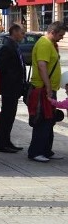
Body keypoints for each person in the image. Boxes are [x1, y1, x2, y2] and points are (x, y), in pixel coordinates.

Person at [27, 21, 65, 162]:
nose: (61, 38)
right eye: (60, 35)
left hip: (48, 89)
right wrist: (48, 87)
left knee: (50, 121)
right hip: (43, 90)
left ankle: (46, 150)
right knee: (42, 121)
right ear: (53, 32)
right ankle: (36, 152)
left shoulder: (50, 44)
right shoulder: (44, 44)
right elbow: (42, 66)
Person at [0, 23, 26, 153]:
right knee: (6, 116)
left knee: (11, 115)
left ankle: (7, 141)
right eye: (22, 33)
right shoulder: (7, 48)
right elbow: (2, 69)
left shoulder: (14, 46)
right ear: (14, 32)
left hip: (14, 88)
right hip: (9, 88)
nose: (23, 35)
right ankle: (2, 143)